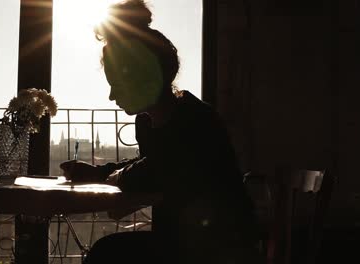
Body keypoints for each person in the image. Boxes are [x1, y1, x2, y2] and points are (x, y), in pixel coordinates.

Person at [60, 0, 261, 263]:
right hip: (190, 241)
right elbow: (150, 167)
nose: (111, 96)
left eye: (117, 84)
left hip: (218, 249)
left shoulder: (195, 120)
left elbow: (152, 172)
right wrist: (100, 173)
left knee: (106, 254)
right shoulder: (155, 121)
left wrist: (109, 177)